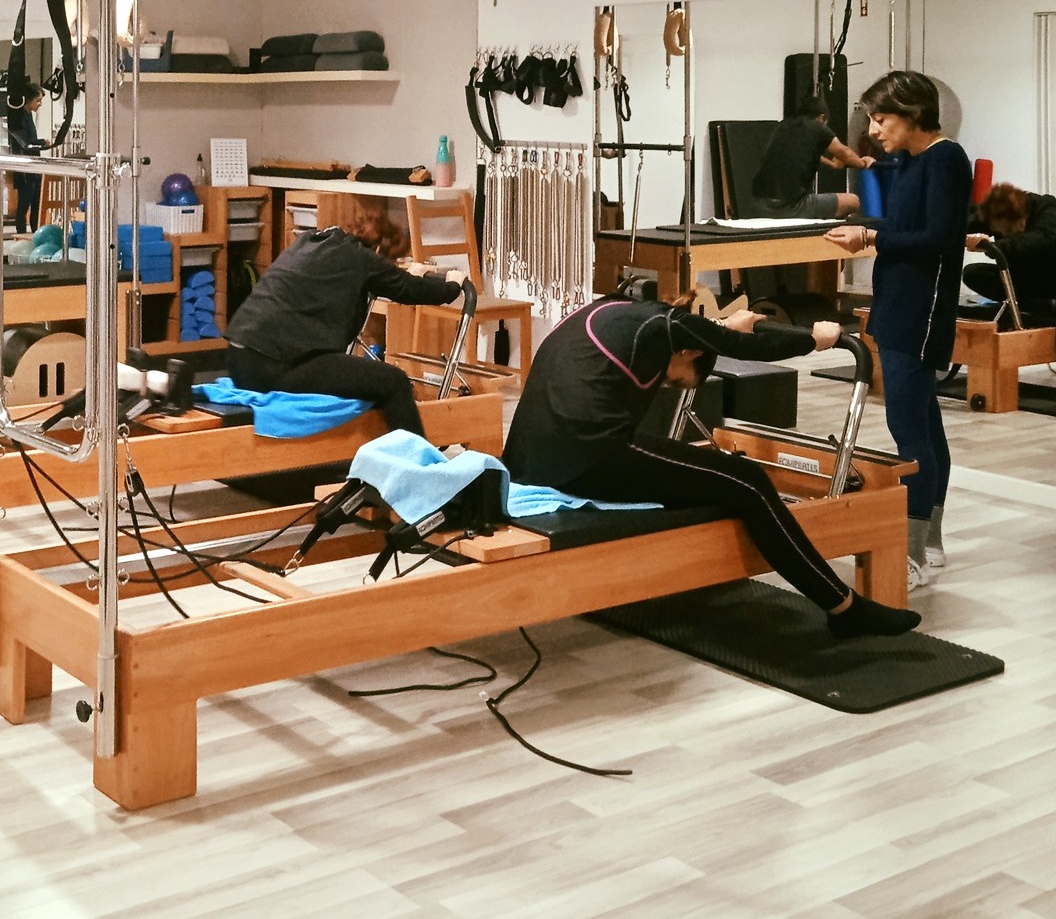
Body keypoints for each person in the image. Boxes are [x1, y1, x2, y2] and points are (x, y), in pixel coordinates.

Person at [502, 292, 920, 640]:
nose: (667, 382)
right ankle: (844, 610)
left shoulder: (616, 310)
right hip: (586, 458)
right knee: (750, 482)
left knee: (705, 474)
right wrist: (816, 339)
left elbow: (703, 335)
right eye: (677, 380)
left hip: (524, 461)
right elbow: (747, 348)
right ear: (690, 351)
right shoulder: (663, 329)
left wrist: (720, 329)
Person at [825, 70, 972, 589]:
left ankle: (911, 555)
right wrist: (864, 232)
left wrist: (870, 239)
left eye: (881, 118)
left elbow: (937, 238)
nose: (873, 129)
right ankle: (929, 544)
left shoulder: (947, 159)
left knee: (909, 430)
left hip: (921, 311)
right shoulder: (910, 161)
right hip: (896, 303)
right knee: (923, 424)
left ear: (912, 114)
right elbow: (904, 227)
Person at [225, 203, 463, 437]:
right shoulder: (363, 259)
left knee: (366, 379)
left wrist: (408, 276)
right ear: (378, 251)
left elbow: (394, 280)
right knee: (394, 381)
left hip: (240, 359)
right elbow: (407, 289)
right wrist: (453, 285)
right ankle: (415, 460)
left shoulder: (310, 241)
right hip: (271, 368)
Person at [751, 93, 874, 217]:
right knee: (853, 201)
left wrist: (832, 164)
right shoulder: (817, 127)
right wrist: (863, 163)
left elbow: (809, 156)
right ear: (822, 117)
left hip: (759, 204)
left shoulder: (782, 127)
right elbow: (844, 153)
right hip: (790, 206)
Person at [965, 181, 1056, 317]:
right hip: (1023, 280)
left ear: (1021, 216)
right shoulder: (994, 214)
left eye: (1009, 229)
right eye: (999, 230)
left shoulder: (1048, 208)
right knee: (972, 273)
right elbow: (967, 223)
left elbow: (1041, 238)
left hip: (1049, 280)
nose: (1004, 233)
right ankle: (1037, 305)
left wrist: (993, 247)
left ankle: (1045, 305)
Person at [5, 88, 44, 235]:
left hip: (34, 165)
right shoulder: (19, 118)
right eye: (37, 101)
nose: (39, 104)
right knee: (24, 204)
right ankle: (21, 233)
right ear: (28, 100)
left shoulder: (28, 116)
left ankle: (36, 232)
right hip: (25, 169)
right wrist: (42, 142)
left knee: (36, 203)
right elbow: (26, 141)